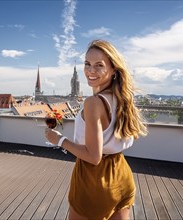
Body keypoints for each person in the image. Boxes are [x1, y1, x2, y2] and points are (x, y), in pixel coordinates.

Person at [45, 39, 148, 220]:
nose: (91, 71)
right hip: (122, 175)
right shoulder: (123, 99)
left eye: (99, 65)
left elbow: (93, 157)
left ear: (113, 69)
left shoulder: (93, 103)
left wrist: (59, 140)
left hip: (94, 181)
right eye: (87, 64)